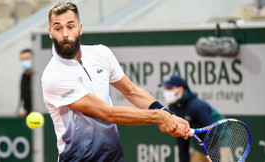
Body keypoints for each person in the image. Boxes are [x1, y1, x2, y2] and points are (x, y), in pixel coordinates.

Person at [41, 2, 190, 161]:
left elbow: (131, 91)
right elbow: (107, 114)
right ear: (50, 32)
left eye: (70, 26)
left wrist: (169, 115)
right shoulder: (53, 76)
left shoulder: (101, 53)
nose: (65, 34)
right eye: (58, 28)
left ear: (80, 28)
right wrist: (159, 117)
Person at [161, 75, 225, 162]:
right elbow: (181, 140)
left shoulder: (197, 107)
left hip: (220, 136)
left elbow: (212, 134)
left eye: (170, 88)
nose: (167, 91)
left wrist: (215, 159)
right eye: (166, 88)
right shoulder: (173, 107)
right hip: (199, 142)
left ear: (181, 89)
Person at [18, 49, 33, 117]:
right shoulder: (23, 77)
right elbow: (22, 97)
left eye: (27, 58)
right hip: (26, 115)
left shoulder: (40, 76)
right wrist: (21, 109)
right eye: (22, 59)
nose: (24, 61)